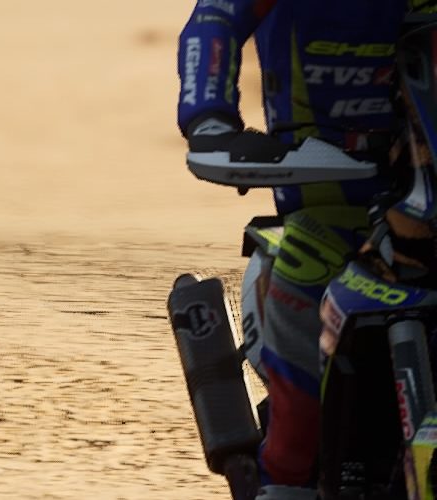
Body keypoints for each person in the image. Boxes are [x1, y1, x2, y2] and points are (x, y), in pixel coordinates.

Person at [173, 0, 415, 497]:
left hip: (421, 212)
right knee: (300, 293)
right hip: (325, 210)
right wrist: (210, 122)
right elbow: (215, 19)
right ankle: (284, 478)